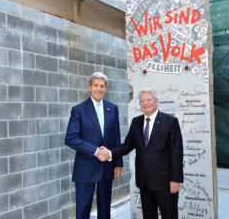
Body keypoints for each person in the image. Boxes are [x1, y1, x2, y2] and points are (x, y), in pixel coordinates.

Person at [98, 88, 183, 219]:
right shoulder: (136, 122)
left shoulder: (170, 122)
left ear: (156, 102)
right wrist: (110, 153)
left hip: (165, 182)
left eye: (148, 100)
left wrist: (176, 179)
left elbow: (176, 152)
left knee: (169, 215)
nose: (145, 103)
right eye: (142, 101)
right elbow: (127, 145)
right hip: (144, 181)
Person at [65, 72, 123, 219]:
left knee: (105, 211)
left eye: (102, 86)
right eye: (96, 85)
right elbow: (70, 138)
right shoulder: (79, 110)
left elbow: (116, 137)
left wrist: (118, 163)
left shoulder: (112, 108)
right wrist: (95, 151)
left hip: (107, 167)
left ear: (105, 88)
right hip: (85, 168)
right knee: (83, 210)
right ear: (90, 87)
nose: (99, 89)